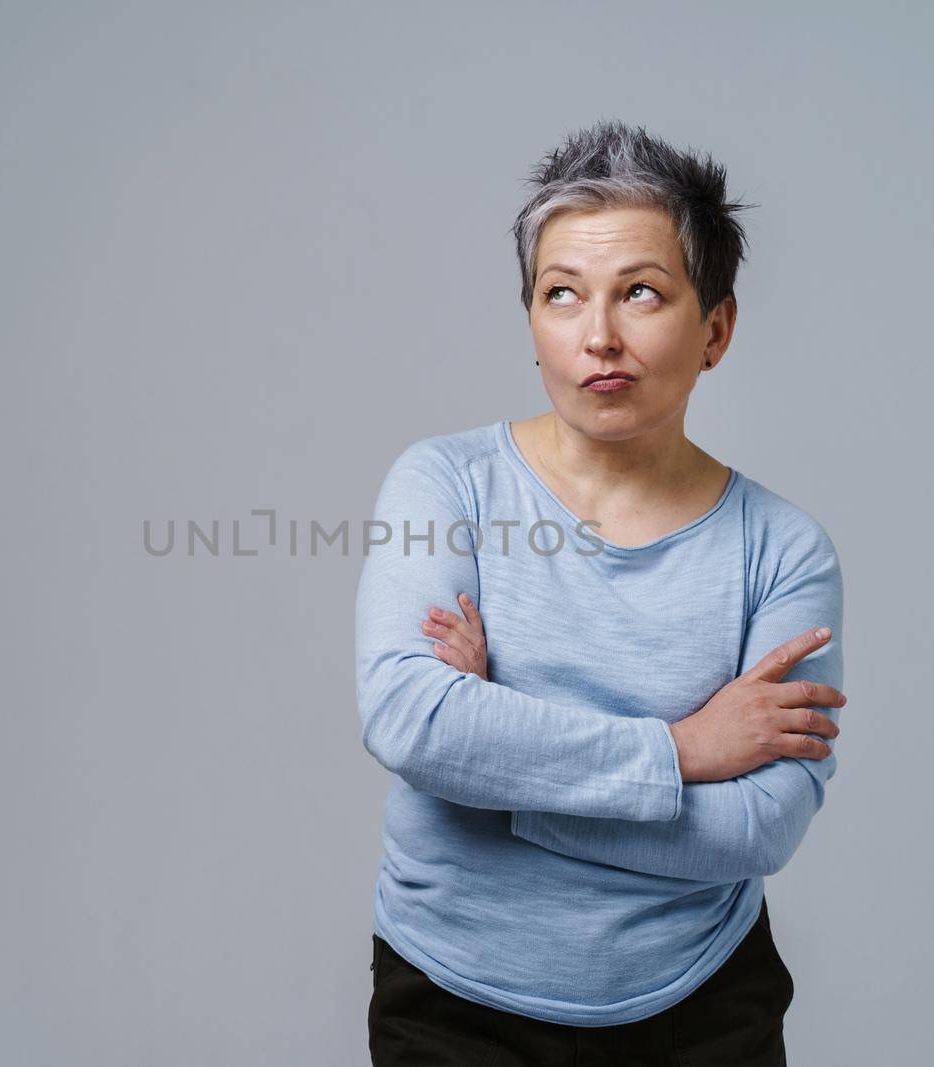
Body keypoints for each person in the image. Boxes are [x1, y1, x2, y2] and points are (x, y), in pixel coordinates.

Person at [355, 119, 848, 1065]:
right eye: (561, 294)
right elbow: (411, 722)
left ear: (716, 328)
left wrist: (494, 775)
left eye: (641, 293)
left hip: (702, 1008)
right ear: (530, 315)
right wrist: (684, 749)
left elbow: (758, 825)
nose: (598, 336)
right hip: (452, 1003)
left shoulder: (783, 550)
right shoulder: (444, 485)